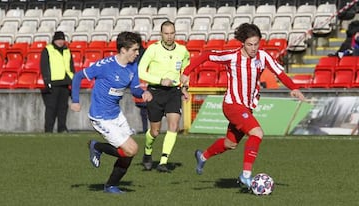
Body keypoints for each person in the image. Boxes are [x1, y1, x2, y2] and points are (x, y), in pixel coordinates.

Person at [180, 23, 305, 189]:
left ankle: (202, 157)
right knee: (257, 133)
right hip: (232, 105)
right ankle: (246, 175)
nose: (253, 48)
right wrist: (186, 73)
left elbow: (280, 73)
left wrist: (294, 88)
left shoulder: (263, 56)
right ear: (243, 43)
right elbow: (206, 55)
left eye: (256, 44)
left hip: (246, 108)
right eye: (249, 44)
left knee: (230, 144)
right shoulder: (231, 56)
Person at [70, 31, 152, 194]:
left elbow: (134, 88)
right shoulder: (105, 66)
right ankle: (97, 146)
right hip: (100, 117)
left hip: (116, 115)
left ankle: (111, 185)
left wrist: (142, 93)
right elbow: (78, 77)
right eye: (134, 50)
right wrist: (75, 100)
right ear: (123, 50)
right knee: (131, 149)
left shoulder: (132, 66)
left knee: (128, 154)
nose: (137, 53)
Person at [138, 20, 190, 172]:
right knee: (154, 131)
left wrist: (185, 86)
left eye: (172, 33)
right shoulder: (152, 49)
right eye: (166, 33)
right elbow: (141, 71)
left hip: (174, 92)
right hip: (155, 92)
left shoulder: (182, 50)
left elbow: (186, 69)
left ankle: (163, 161)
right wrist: (160, 80)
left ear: (175, 33)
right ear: (161, 34)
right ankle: (148, 152)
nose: (169, 36)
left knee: (174, 125)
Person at [40, 31, 75, 133]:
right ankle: (48, 129)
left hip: (65, 83)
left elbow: (71, 66)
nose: (60, 41)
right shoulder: (47, 50)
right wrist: (47, 81)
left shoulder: (67, 50)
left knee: (63, 108)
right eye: (58, 39)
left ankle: (62, 127)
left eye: (62, 39)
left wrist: (72, 79)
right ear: (54, 40)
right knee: (51, 108)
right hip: (53, 83)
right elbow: (44, 66)